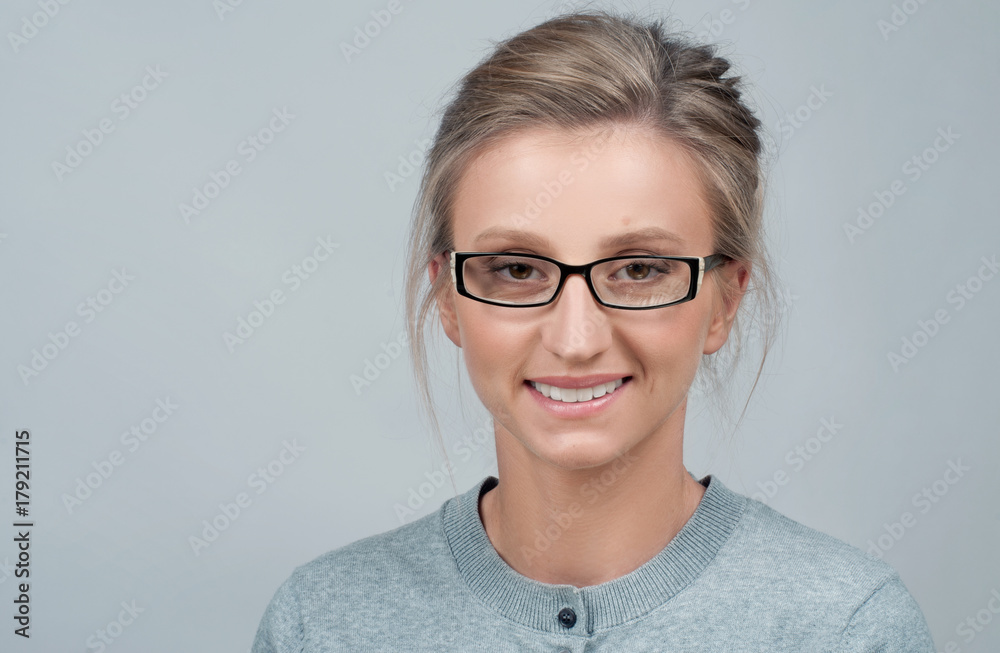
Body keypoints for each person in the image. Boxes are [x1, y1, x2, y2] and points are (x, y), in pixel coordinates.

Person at [251, 10, 935, 651]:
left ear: (724, 300)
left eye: (639, 268)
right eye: (516, 268)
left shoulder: (846, 626)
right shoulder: (322, 622)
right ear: (449, 299)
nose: (576, 340)